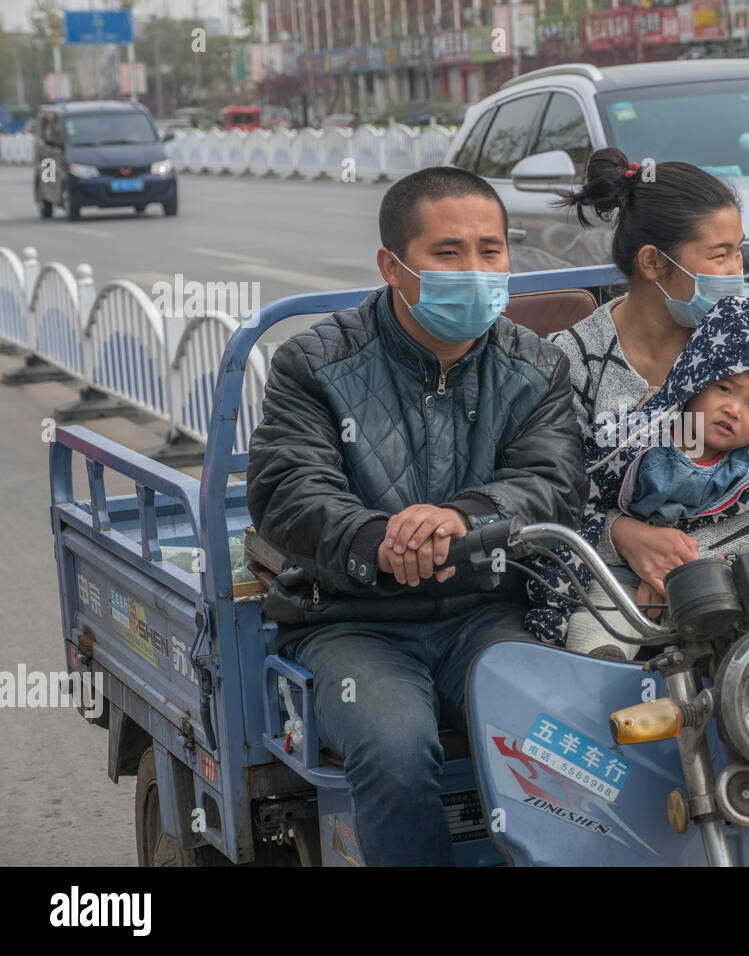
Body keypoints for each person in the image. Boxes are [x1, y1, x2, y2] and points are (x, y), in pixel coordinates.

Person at [245, 166, 585, 865]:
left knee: (563, 735)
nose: (476, 269)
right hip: (350, 619)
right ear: (392, 267)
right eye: (449, 253)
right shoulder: (314, 362)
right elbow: (289, 487)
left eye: (491, 251)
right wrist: (375, 539)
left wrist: (467, 518)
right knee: (397, 746)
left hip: (488, 609)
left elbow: (552, 481)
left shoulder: (537, 365)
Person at [527, 295, 749, 654]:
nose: (733, 408)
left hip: (731, 578)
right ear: (693, 379)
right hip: (629, 575)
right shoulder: (637, 442)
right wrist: (555, 599)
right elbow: (577, 495)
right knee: (600, 620)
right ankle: (602, 664)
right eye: (724, 388)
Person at [544, 147, 749, 617]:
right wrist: (621, 535)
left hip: (742, 571)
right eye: (720, 256)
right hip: (612, 588)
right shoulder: (571, 361)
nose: (737, 271)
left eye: (740, 251)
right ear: (654, 263)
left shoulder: (739, 342)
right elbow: (547, 493)